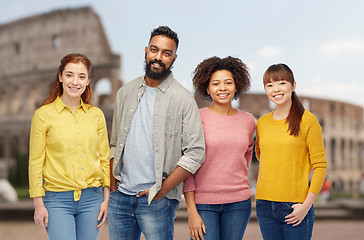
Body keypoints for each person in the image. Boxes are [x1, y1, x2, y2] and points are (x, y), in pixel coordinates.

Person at [108, 26, 205, 240]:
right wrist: (113, 186)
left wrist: (161, 190)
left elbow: (196, 152)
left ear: (174, 58)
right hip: (120, 198)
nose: (158, 57)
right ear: (146, 50)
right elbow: (114, 144)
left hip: (157, 201)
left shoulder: (183, 99)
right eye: (154, 50)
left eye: (166, 53)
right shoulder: (125, 93)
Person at [28, 53, 110, 240]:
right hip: (57, 200)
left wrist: (106, 200)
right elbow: (35, 162)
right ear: (60, 77)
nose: (75, 82)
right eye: (69, 75)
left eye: (81, 76)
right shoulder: (43, 115)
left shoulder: (96, 115)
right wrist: (38, 204)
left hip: (93, 200)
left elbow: (105, 158)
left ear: (88, 81)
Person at [183, 56, 255, 240]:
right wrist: (191, 211)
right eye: (216, 83)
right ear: (207, 88)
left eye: (228, 82)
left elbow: (247, 151)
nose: (222, 88)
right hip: (203, 204)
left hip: (238, 203)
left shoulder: (248, 120)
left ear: (236, 85)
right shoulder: (195, 118)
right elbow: (187, 165)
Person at [255, 63, 328, 240]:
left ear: (293, 85)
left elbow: (320, 166)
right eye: (269, 85)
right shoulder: (262, 123)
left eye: (281, 83)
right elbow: (261, 154)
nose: (276, 89)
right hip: (264, 204)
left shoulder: (308, 121)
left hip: (296, 205)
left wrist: (306, 205)